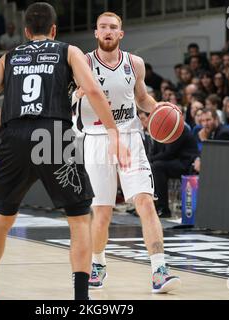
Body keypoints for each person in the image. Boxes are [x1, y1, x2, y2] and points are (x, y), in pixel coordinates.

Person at [0, 2, 129, 301]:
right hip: (53, 135)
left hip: (15, 136)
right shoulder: (68, 51)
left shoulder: (9, 57)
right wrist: (114, 132)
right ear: (54, 30)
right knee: (78, 220)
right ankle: (80, 299)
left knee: (2, 218)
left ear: (25, 32)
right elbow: (93, 91)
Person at [73, 11, 181, 293]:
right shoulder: (82, 62)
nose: (108, 31)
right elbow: (67, 99)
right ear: (96, 33)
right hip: (96, 138)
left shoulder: (135, 63)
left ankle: (159, 268)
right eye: (103, 27)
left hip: (130, 136)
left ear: (121, 34)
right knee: (103, 212)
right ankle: (98, 263)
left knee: (145, 202)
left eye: (113, 27)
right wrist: (75, 95)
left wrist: (162, 110)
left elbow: (142, 98)